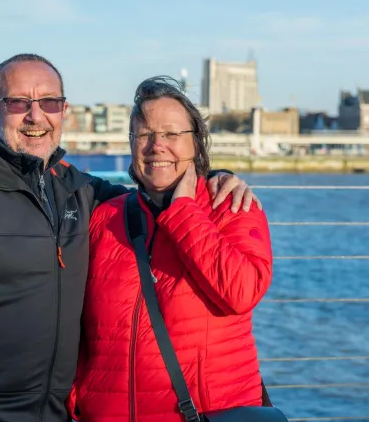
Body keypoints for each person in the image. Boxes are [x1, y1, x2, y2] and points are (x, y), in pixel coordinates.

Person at [0, 54, 261, 422]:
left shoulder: (80, 192)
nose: (35, 116)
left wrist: (213, 179)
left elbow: (155, 187)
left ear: (64, 111)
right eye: (18, 102)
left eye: (49, 103)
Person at [68, 76, 273, 422]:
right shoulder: (106, 218)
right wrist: (78, 396)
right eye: (145, 134)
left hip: (206, 415)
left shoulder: (232, 207)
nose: (157, 145)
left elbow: (242, 291)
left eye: (172, 134)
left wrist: (184, 213)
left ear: (197, 144)